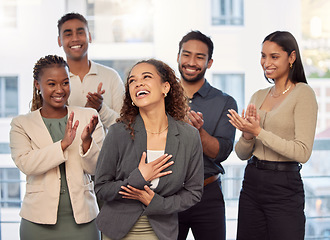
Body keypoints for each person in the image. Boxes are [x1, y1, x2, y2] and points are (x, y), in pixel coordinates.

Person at [94, 59, 204, 240]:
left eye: (146, 77)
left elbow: (193, 192)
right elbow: (101, 188)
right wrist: (138, 179)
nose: (138, 83)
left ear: (165, 88)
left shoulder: (189, 136)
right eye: (132, 81)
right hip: (117, 230)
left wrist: (158, 203)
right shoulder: (118, 132)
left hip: (161, 231)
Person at [227, 31, 318, 240]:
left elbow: (302, 152)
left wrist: (259, 132)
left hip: (284, 186)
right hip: (251, 182)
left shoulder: (303, 93)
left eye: (274, 56)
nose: (266, 62)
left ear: (292, 57)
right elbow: (241, 154)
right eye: (263, 56)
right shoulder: (258, 96)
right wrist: (248, 136)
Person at [9, 55, 105, 240]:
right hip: (37, 222)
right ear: (38, 85)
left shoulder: (89, 116)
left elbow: (96, 169)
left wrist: (86, 142)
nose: (60, 90)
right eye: (51, 84)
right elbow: (26, 164)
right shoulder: (21, 124)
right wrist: (63, 144)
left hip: (83, 221)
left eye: (65, 83)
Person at [177, 30, 237, 240]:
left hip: (208, 194)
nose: (191, 62)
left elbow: (221, 152)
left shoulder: (225, 102)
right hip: (168, 195)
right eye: (186, 54)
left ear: (209, 63)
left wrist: (198, 132)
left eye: (199, 57)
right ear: (178, 57)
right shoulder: (160, 99)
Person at [57, 12, 124, 131]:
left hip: (105, 150)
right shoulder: (54, 82)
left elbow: (125, 126)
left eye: (80, 33)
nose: (75, 38)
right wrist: (88, 112)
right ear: (59, 41)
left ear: (90, 37)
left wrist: (101, 109)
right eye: (68, 34)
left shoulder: (111, 76)